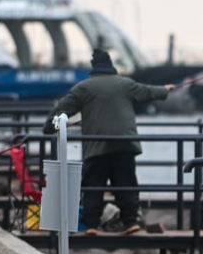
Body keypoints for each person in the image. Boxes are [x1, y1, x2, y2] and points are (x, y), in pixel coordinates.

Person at [43, 49, 175, 235]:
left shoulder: (83, 88)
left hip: (97, 146)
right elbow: (148, 91)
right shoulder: (125, 84)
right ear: (111, 66)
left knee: (93, 184)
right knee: (125, 182)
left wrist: (49, 127)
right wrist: (165, 90)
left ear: (93, 67)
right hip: (125, 144)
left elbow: (62, 109)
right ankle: (131, 222)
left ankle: (91, 225)